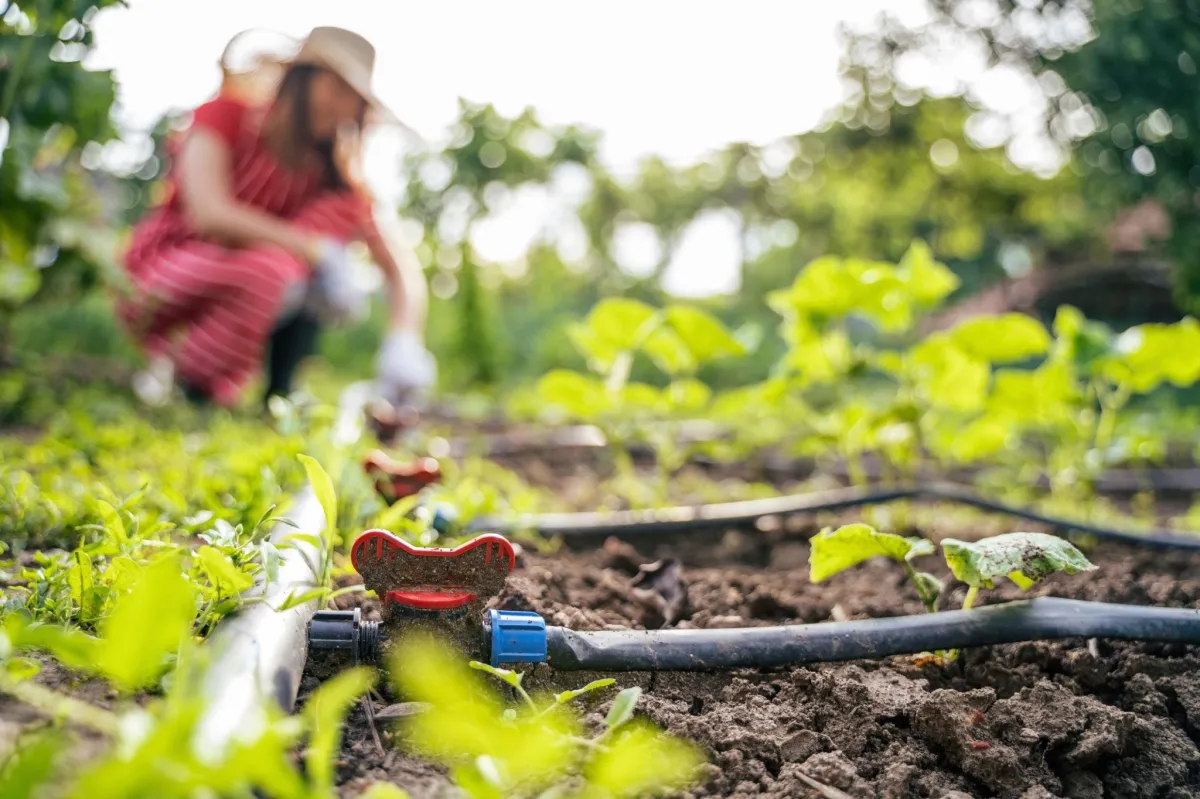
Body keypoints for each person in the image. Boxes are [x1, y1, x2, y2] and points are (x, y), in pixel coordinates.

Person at [118, 26, 435, 409]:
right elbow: (209, 214)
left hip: (253, 280)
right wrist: (312, 250)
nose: (344, 109)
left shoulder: (334, 180)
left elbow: (399, 265)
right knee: (276, 271)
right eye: (336, 90)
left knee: (289, 271)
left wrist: (405, 339)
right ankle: (184, 374)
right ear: (299, 82)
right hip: (161, 276)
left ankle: (273, 389)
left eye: (354, 100)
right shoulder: (225, 116)